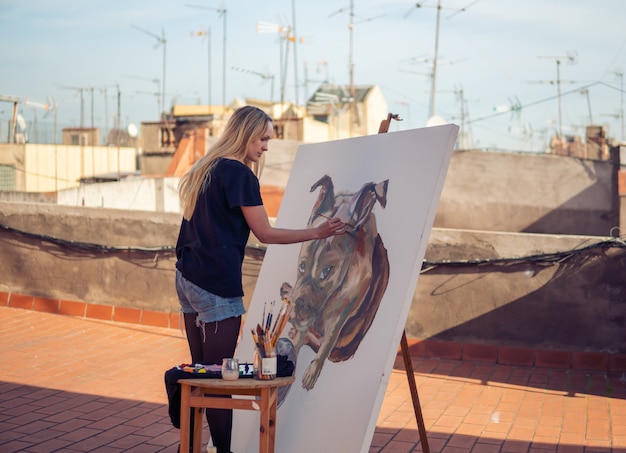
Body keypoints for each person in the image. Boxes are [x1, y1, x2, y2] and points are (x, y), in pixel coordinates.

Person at [173, 105, 346, 453]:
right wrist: (317, 233)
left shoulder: (207, 168)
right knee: (220, 380)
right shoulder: (239, 174)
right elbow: (264, 233)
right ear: (245, 134)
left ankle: (189, 448)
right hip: (215, 286)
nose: (266, 146)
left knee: (200, 376)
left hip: (187, 278)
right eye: (262, 138)